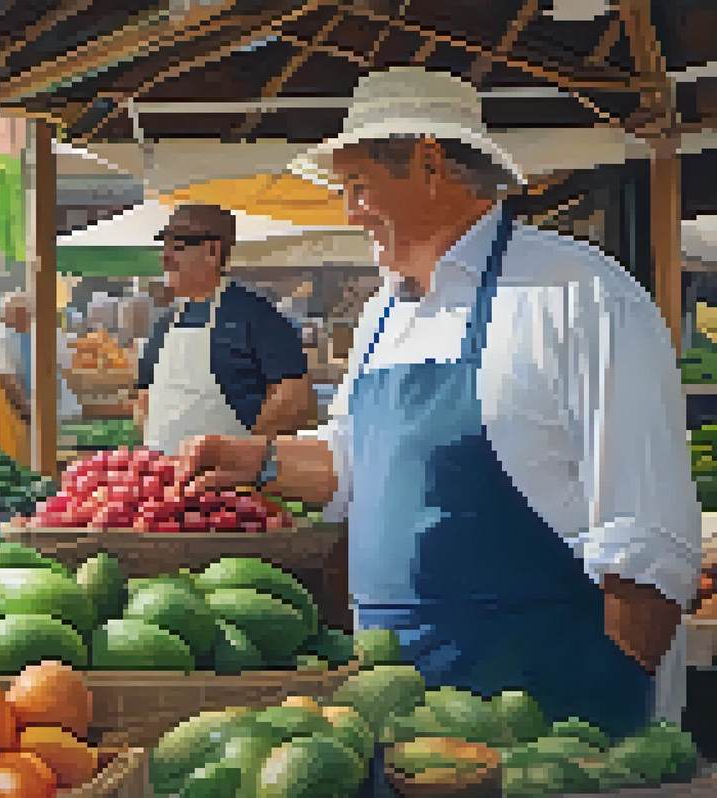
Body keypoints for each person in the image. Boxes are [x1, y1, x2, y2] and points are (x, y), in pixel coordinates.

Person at [179, 67, 699, 738]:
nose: (349, 211)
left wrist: (612, 693)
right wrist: (259, 461)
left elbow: (648, 538)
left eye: (359, 186)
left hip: (550, 710)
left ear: (429, 164)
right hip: (398, 709)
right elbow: (353, 463)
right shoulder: (379, 317)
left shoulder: (577, 294)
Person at [133, 205, 315, 454]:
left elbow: (293, 398)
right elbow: (143, 394)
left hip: (227, 486)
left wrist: (243, 456)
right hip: (162, 480)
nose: (165, 257)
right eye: (164, 247)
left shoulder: (257, 317)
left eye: (177, 247)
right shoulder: (164, 325)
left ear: (212, 251)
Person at [0, 292, 79, 464]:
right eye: (15, 313)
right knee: (22, 461)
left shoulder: (45, 332)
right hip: (13, 414)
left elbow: (65, 365)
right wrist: (30, 413)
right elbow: (6, 380)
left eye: (26, 312)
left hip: (46, 410)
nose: (23, 317)